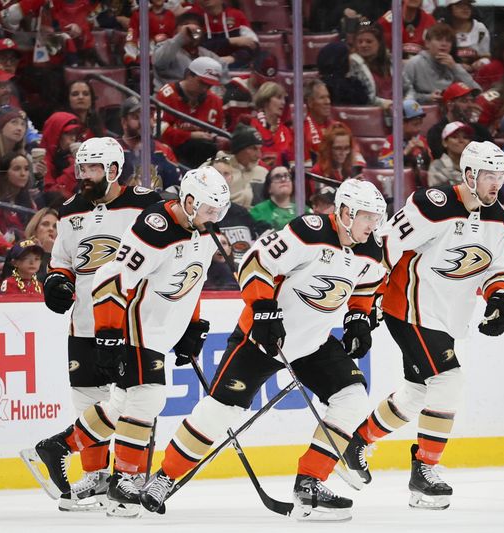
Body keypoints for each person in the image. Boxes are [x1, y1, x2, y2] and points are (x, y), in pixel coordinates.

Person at [140, 179, 388, 521]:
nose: (373, 225)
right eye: (367, 217)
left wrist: (358, 317)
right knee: (220, 412)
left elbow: (367, 286)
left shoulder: (371, 249)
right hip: (261, 338)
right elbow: (256, 262)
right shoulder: (308, 231)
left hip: (312, 343)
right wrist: (263, 307)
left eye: (377, 218)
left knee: (352, 397)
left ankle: (310, 483)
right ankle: (163, 478)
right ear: (345, 213)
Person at [42, 166, 229, 518]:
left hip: (161, 331)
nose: (214, 218)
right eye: (209, 210)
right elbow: (108, 276)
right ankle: (125, 481)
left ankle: (58, 447)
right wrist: (109, 334)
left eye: (219, 211)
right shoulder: (153, 228)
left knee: (121, 405)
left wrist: (193, 326)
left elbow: (193, 281)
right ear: (188, 202)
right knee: (147, 399)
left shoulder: (203, 231)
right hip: (137, 327)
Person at [343, 141, 504, 511]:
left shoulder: (498, 217)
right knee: (449, 379)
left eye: (501, 177)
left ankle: (355, 444)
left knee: (417, 393)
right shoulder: (432, 205)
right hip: (409, 308)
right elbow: (384, 246)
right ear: (469, 175)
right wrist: (361, 304)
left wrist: (500, 296)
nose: (496, 185)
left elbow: (493, 268)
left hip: (446, 317)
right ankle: (425, 471)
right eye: (489, 176)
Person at [26, 137, 162, 512]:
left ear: (114, 170)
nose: (83, 176)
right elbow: (61, 261)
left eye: (93, 169)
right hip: (84, 323)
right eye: (81, 168)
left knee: (133, 400)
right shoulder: (70, 210)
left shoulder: (148, 205)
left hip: (131, 323)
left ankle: (128, 475)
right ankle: (98, 476)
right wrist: (56, 281)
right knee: (87, 398)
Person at [156, 56, 225, 169]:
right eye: (202, 83)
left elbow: (218, 133)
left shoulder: (215, 101)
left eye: (209, 85)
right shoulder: (167, 94)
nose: (205, 89)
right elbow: (159, 131)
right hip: (173, 152)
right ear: (189, 75)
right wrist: (191, 135)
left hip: (204, 156)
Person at [404, 23, 480, 105]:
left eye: (448, 41)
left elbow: (476, 91)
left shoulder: (453, 65)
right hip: (422, 111)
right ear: (427, 43)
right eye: (439, 39)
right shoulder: (414, 63)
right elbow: (403, 95)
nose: (444, 44)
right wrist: (427, 98)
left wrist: (455, 68)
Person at [210, 156, 267, 263]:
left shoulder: (243, 214)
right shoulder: (199, 214)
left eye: (226, 174)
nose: (221, 178)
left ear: (231, 178)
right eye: (217, 173)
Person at [116, 96, 180, 190]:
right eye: (136, 117)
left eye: (148, 116)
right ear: (124, 122)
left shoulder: (164, 152)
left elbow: (175, 190)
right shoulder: (112, 150)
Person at [152, 12, 223, 91]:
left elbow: (221, 80)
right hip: (168, 98)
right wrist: (180, 37)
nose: (192, 30)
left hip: (199, 100)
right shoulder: (164, 46)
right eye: (186, 25)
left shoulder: (208, 55)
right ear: (176, 30)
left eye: (197, 27)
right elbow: (159, 63)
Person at [427, 82, 491, 159]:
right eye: (464, 101)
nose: (470, 105)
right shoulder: (437, 132)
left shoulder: (480, 131)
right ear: (450, 105)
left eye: (471, 101)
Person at [190, 0, 259, 69]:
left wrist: (234, 57)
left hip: (235, 64)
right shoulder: (191, 17)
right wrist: (230, 41)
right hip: (203, 66)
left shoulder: (237, 15)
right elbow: (195, 48)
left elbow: (253, 44)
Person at [223, 52, 279, 132]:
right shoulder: (237, 90)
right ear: (252, 67)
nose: (266, 82)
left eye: (270, 79)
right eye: (262, 77)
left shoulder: (276, 93)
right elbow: (235, 129)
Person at [0, 151, 38, 237]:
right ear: (4, 173)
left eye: (26, 169)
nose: (23, 174)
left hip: (27, 245)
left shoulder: (30, 200)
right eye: (17, 169)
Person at [348, 21, 393, 110]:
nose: (363, 45)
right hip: (372, 114)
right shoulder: (353, 64)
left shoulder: (391, 61)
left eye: (369, 41)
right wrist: (389, 104)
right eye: (360, 42)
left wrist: (407, 101)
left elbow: (408, 88)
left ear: (379, 43)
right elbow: (366, 97)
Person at [378, 99, 431, 174]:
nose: (419, 128)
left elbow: (431, 166)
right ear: (402, 122)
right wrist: (405, 153)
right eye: (415, 124)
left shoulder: (421, 140)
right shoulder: (392, 141)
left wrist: (425, 152)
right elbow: (382, 165)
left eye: (420, 124)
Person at [221, 125, 267, 209]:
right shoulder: (217, 169)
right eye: (254, 149)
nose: (259, 155)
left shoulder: (263, 173)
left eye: (260, 149)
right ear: (239, 149)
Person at [250, 82, 294, 169]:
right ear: (266, 100)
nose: (283, 102)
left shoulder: (286, 131)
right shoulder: (252, 126)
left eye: (284, 99)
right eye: (278, 98)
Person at [39, 112, 82, 200]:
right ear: (55, 134)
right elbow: (53, 194)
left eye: (74, 133)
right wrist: (76, 166)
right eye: (67, 133)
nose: (73, 138)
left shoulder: (70, 157)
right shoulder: (41, 161)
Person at [250, 167, 303, 231]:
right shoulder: (258, 211)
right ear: (269, 188)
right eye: (277, 177)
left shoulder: (304, 209)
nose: (283, 179)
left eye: (287, 176)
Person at [317, 41, 369, 106]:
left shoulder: (315, 87)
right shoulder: (356, 88)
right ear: (343, 60)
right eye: (348, 55)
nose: (350, 59)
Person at [445, 0, 490, 71]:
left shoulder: (480, 29)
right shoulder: (441, 28)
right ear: (450, 8)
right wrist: (457, 66)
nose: (466, 8)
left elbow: (486, 56)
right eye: (461, 5)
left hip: (474, 76)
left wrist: (481, 62)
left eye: (468, 5)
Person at [427, 121, 473, 186]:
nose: (461, 140)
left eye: (465, 137)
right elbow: (438, 193)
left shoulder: (474, 165)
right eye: (455, 137)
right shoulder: (437, 166)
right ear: (444, 143)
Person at [303, 79, 337, 165]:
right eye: (322, 98)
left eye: (328, 97)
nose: (328, 102)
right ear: (310, 102)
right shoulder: (300, 131)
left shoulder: (339, 127)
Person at [24, 207, 58, 280]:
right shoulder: (21, 251)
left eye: (55, 226)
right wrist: (46, 253)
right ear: (35, 229)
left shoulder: (63, 256)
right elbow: (36, 283)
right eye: (45, 224)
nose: (51, 229)